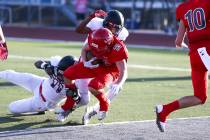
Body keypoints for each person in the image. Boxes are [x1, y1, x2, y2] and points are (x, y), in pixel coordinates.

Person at [155, 0, 210, 132]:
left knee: (200, 97)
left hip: (195, 56)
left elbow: (178, 41)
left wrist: (193, 47)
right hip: (207, 51)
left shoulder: (183, 7)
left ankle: (164, 110)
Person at [60, 28, 128, 122]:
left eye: (100, 47)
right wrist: (85, 62)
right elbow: (84, 49)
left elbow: (123, 70)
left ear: (109, 44)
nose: (97, 50)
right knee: (67, 74)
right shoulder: (94, 40)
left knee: (93, 86)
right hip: (96, 65)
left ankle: (104, 104)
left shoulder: (118, 48)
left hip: (110, 71)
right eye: (96, 47)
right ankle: (70, 102)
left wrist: (118, 83)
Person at [0, 55, 89, 114]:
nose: (61, 75)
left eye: (64, 74)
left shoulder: (77, 82)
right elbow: (37, 63)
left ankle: (39, 110)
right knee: (10, 74)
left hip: (43, 102)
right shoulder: (57, 64)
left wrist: (74, 97)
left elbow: (79, 101)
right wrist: (44, 65)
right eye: (60, 72)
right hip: (40, 83)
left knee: (12, 108)